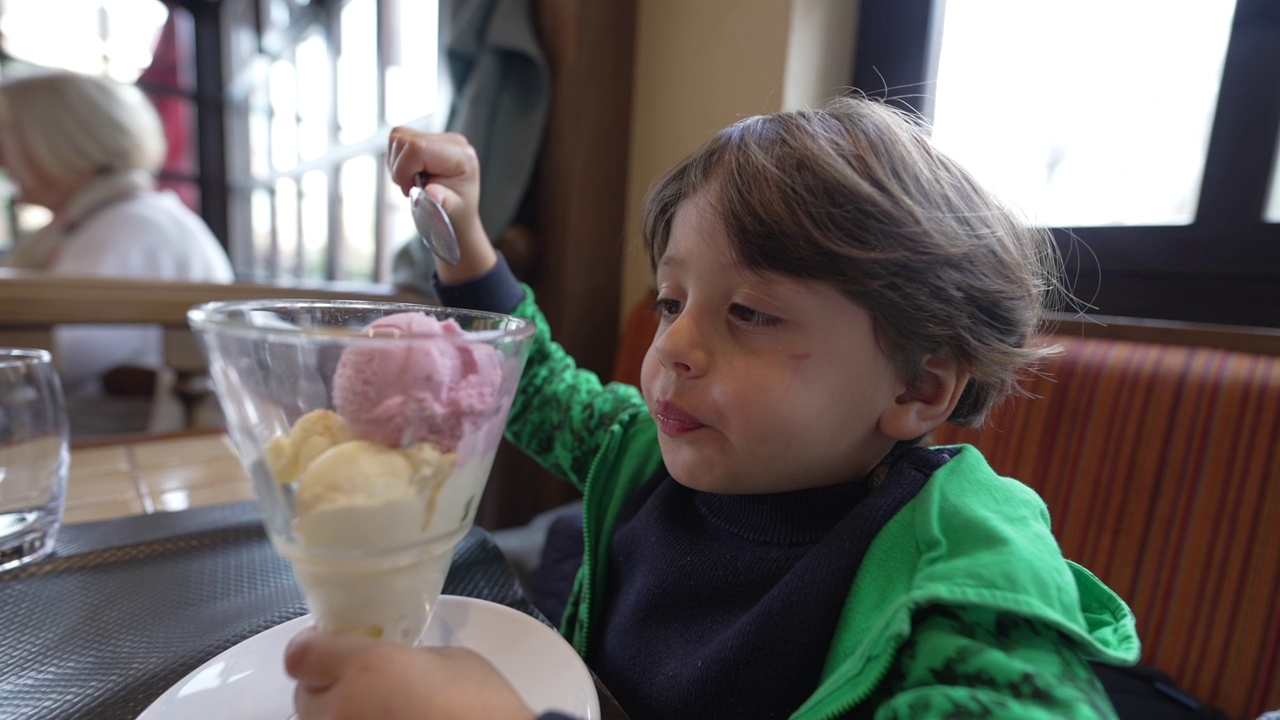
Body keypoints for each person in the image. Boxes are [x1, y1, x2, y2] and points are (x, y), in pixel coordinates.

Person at [285, 98, 1141, 719]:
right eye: (670, 302)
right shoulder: (647, 460)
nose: (674, 348)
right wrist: (465, 236)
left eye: (751, 314)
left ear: (917, 388)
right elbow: (534, 384)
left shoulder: (966, 590)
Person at [0, 68, 235, 437]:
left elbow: (60, 354)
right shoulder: (113, 218)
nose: (2, 160)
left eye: (6, 139)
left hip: (121, 453)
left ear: (56, 142)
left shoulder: (131, 225)